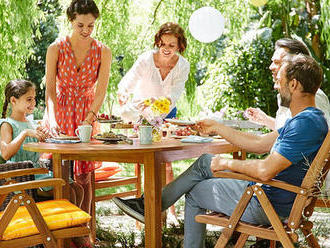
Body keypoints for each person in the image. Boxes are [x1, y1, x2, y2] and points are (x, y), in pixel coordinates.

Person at [113, 54, 328, 248]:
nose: (276, 87)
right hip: (280, 199)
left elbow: (264, 170)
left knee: (196, 191)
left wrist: (225, 163)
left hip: (266, 203)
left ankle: (149, 207)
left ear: (293, 84)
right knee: (207, 160)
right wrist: (217, 128)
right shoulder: (311, 120)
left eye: (279, 81)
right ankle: (149, 205)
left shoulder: (303, 125)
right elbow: (261, 143)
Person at [44, 0, 111, 221]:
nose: (85, 30)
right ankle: (64, 229)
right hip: (61, 111)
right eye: (80, 25)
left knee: (84, 176)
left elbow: (100, 91)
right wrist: (52, 119)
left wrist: (89, 119)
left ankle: (85, 231)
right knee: (62, 175)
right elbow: (51, 92)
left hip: (86, 112)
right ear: (71, 21)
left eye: (90, 26)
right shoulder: (55, 48)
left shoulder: (103, 51)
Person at [117, 22, 190, 223]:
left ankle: (169, 211)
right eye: (163, 44)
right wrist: (124, 95)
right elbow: (127, 82)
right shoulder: (146, 60)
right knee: (144, 162)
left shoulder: (183, 66)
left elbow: (173, 96)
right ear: (158, 42)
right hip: (141, 113)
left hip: (166, 111)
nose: (166, 49)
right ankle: (142, 212)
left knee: (166, 164)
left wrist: (158, 108)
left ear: (179, 46)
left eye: (171, 46)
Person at [245, 38, 330, 196]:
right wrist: (265, 120)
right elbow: (294, 132)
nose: (272, 67)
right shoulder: (288, 95)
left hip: (291, 185)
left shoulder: (312, 97)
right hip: (284, 180)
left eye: (278, 62)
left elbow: (318, 139)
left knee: (206, 171)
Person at [0, 79, 83, 205]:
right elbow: (5, 153)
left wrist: (45, 138)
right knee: (68, 191)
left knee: (78, 189)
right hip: (22, 178)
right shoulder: (7, 125)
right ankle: (69, 224)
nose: (33, 102)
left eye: (34, 98)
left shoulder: (31, 124)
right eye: (29, 99)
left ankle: (77, 223)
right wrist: (25, 133)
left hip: (39, 173)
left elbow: (38, 152)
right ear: (13, 100)